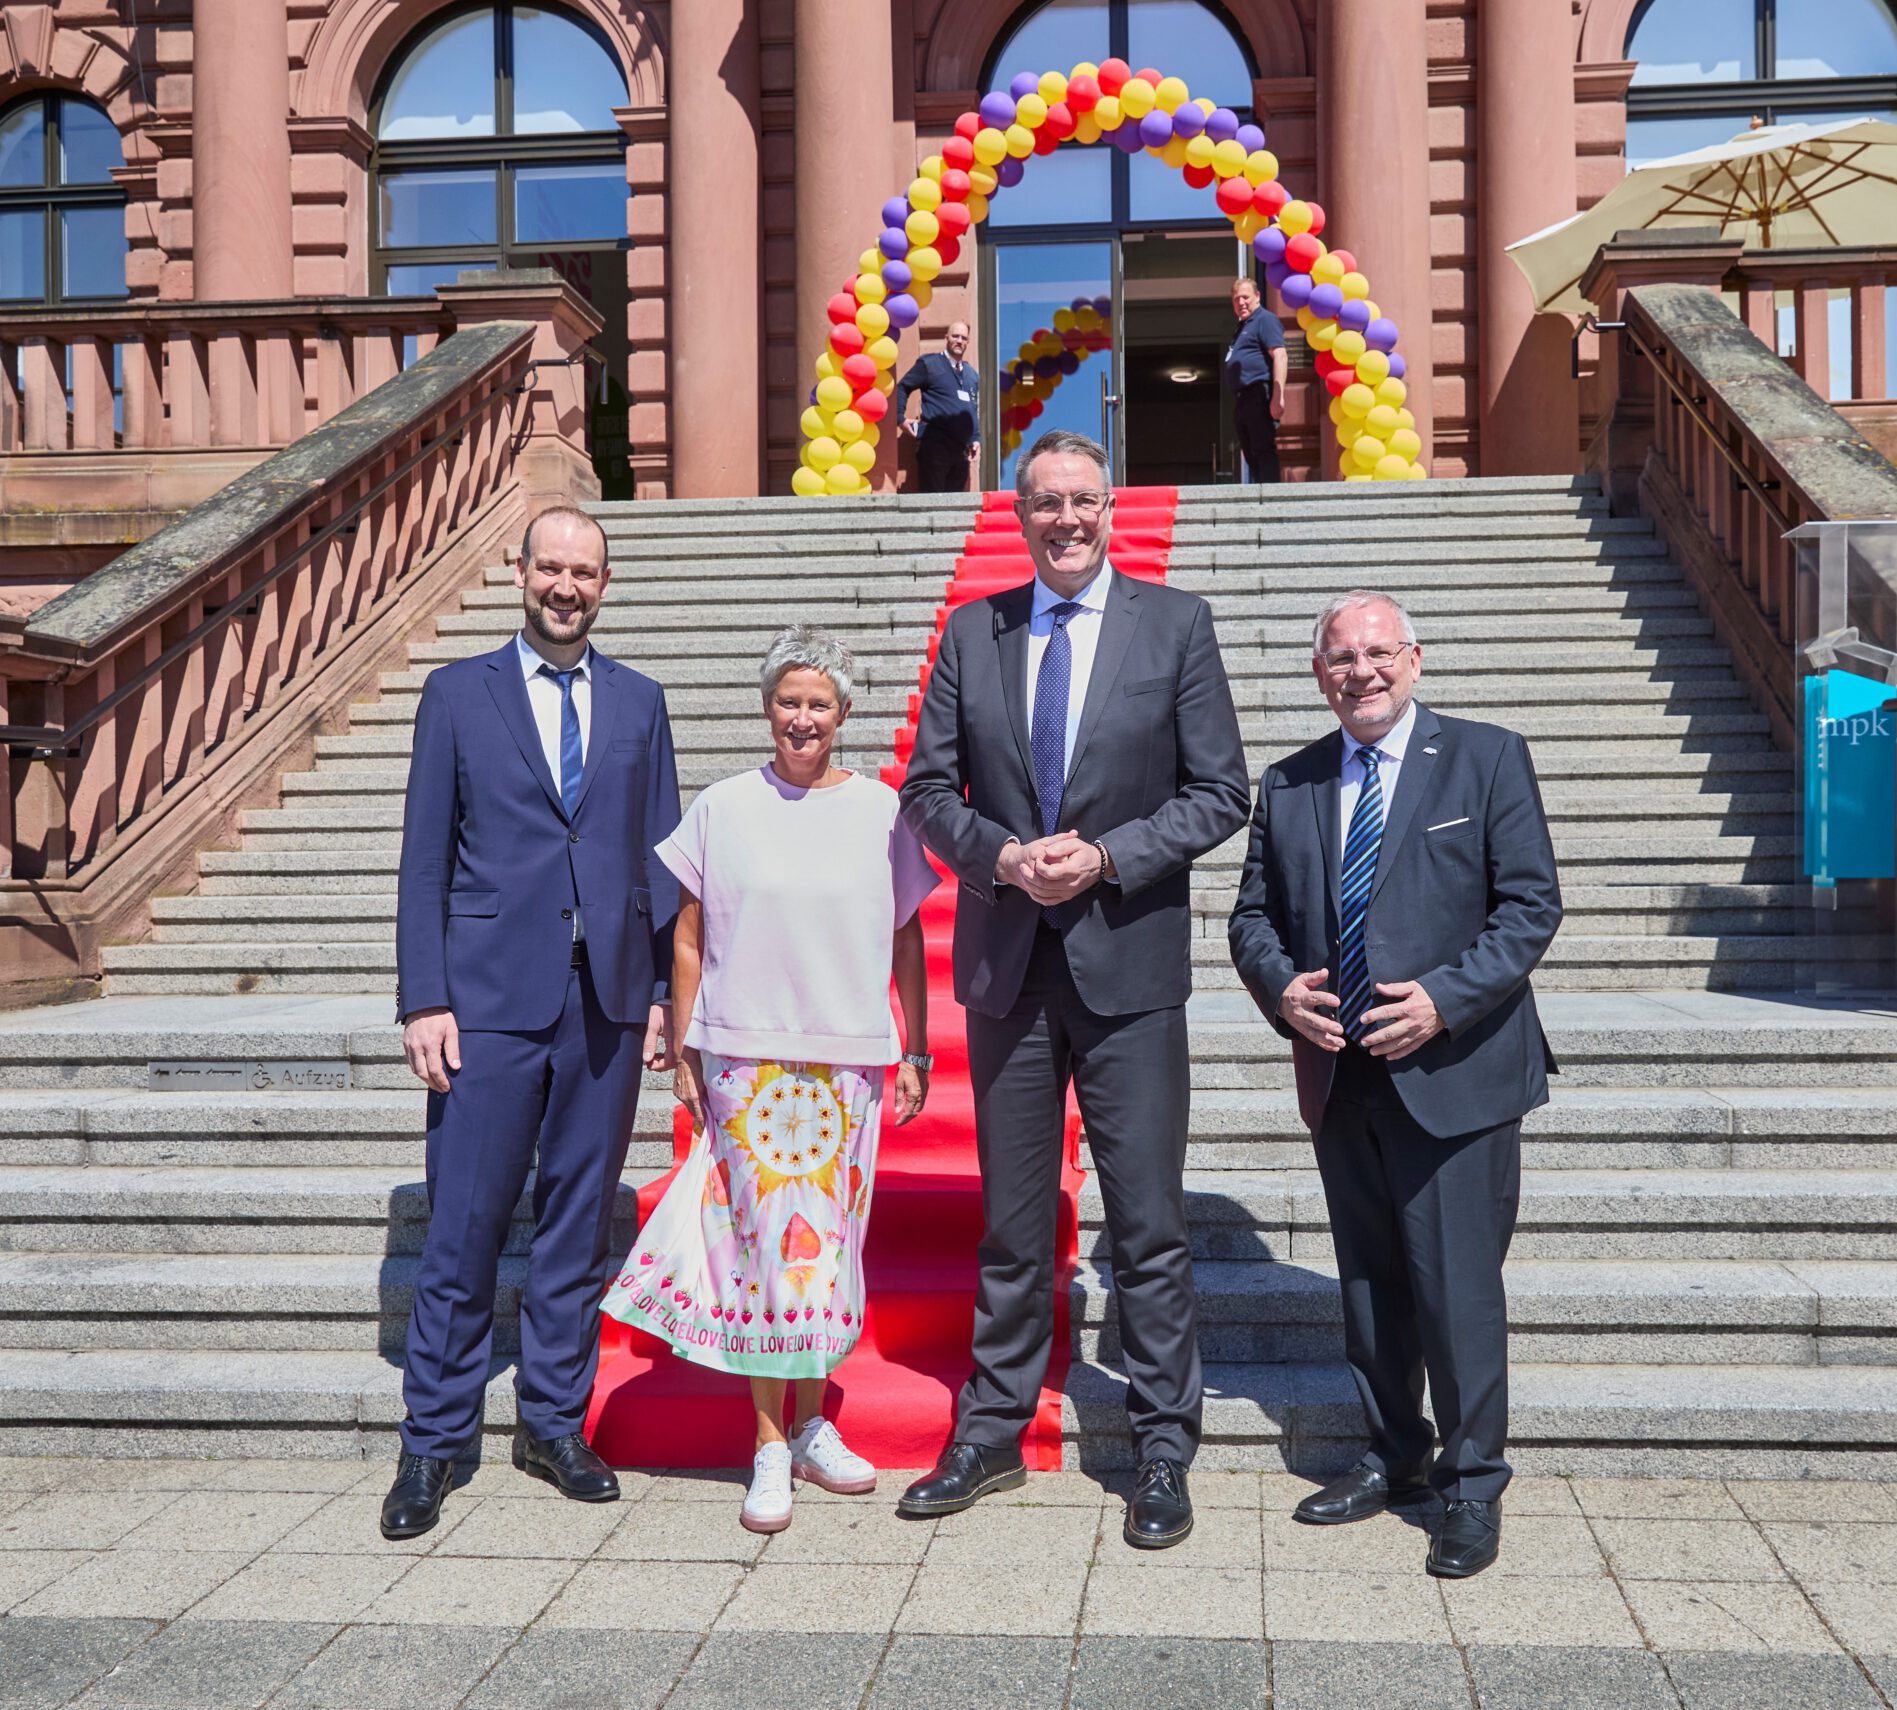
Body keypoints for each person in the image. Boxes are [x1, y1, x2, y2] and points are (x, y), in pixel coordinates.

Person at [898, 427, 1249, 1549]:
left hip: (1129, 969)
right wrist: (1000, 856)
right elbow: (924, 789)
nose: (1065, 520)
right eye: (1045, 502)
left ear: (1111, 508)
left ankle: (1159, 1446)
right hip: (1007, 970)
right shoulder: (972, 630)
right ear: (1018, 513)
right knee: (1010, 1226)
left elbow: (1220, 791)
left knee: (1147, 1225)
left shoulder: (1175, 626)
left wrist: (1109, 855)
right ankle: (992, 1427)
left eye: (1084, 500)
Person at [1227, 590, 1563, 1580]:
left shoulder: (1485, 757)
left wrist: (1446, 1001)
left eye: (1377, 653)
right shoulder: (1289, 784)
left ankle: (1471, 1486)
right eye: (1340, 657)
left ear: (1414, 661)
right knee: (1371, 1290)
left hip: (1453, 1075)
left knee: (1457, 1294)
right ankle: (1395, 1455)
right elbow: (1252, 917)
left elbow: (1531, 903)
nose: (1360, 671)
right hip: (1344, 1077)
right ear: (1318, 674)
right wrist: (1279, 987)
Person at [385, 505, 681, 1540]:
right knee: (464, 1222)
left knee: (573, 1226)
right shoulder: (457, 696)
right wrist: (424, 997)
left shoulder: (641, 704)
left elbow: (661, 863)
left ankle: (554, 1422)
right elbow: (425, 858)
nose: (567, 586)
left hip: (601, 1005)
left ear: (606, 583)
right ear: (520, 572)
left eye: (585, 572)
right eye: (551, 568)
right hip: (486, 1006)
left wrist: (658, 998)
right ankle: (435, 1440)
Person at [600, 626, 936, 1535]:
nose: (802, 717)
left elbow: (906, 932)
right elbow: (687, 935)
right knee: (762, 1257)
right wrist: (686, 1046)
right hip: (748, 1060)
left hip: (850, 1062)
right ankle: (768, 1444)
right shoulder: (723, 807)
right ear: (766, 708)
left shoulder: (883, 810)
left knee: (826, 1257)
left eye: (818, 702)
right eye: (788, 701)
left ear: (844, 713)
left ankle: (816, 1420)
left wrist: (916, 1048)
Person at [898, 321, 982, 492]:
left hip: (961, 451)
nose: (959, 341)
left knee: (955, 508)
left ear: (967, 342)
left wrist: (976, 438)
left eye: (963, 338)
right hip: (934, 445)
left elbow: (973, 409)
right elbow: (902, 387)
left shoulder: (971, 375)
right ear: (946, 338)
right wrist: (899, 418)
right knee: (933, 504)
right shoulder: (929, 364)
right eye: (955, 336)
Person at [1225, 278, 1286, 483]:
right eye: (1236, 299)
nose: (1241, 303)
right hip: (1243, 398)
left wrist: (1278, 396)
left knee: (1263, 449)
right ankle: (1259, 496)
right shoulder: (1242, 326)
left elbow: (1280, 355)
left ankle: (1269, 499)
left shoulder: (1264, 319)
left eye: (1245, 297)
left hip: (1258, 393)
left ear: (1257, 296)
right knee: (1251, 453)